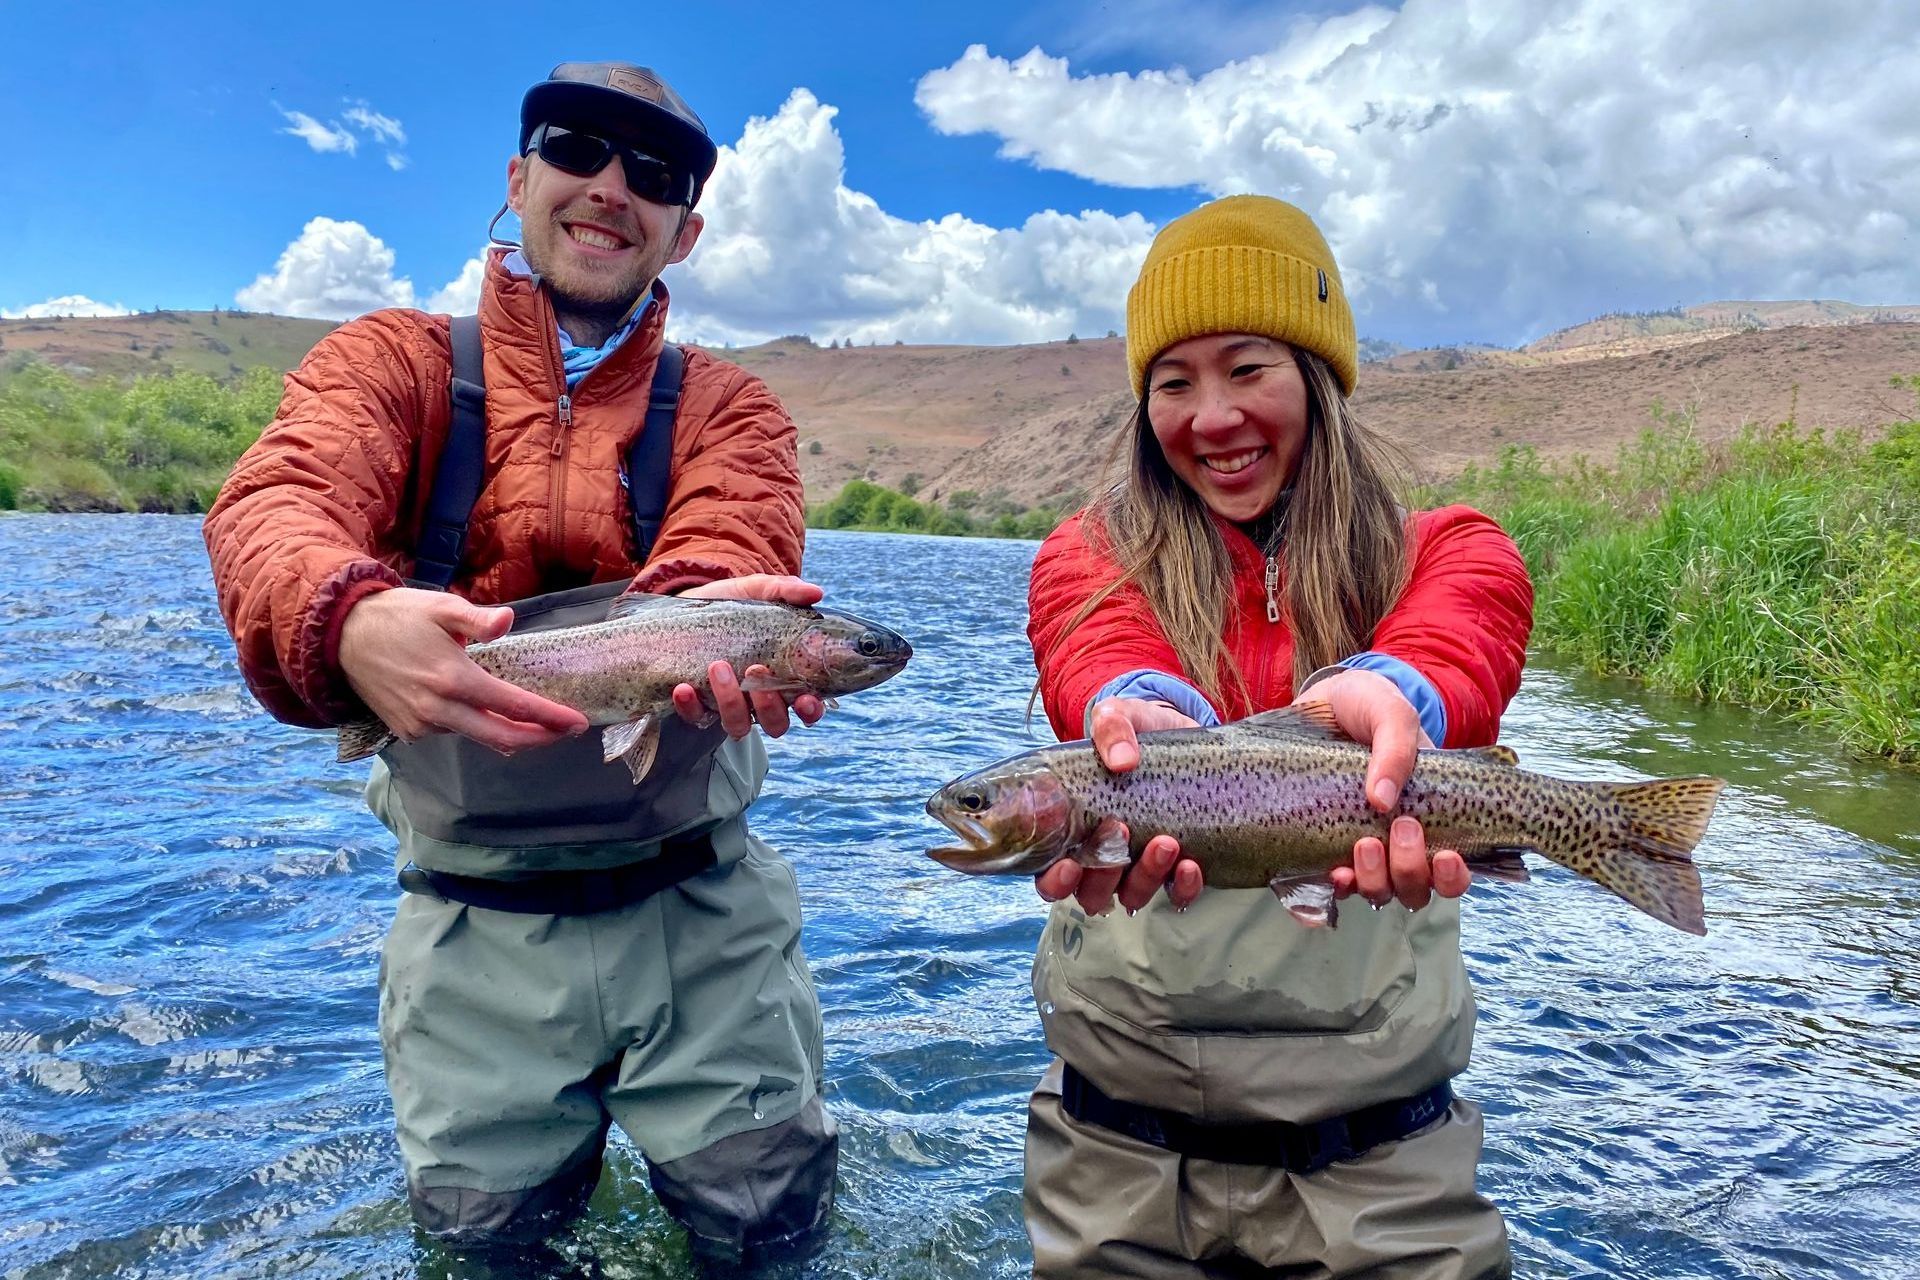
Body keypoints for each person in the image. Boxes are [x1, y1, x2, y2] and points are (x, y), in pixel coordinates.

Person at [203, 62, 837, 1261]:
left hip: (703, 923)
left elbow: (731, 541)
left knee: (776, 1244)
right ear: (519, 176)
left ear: (685, 230)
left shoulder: (731, 409)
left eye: (653, 175)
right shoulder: (386, 364)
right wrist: (345, 617)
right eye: (578, 148)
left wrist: (716, 624)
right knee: (489, 1255)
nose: (611, 187)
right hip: (469, 932)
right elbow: (273, 506)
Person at [1021, 195, 1534, 1278]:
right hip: (1115, 1154)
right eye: (1173, 382)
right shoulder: (1086, 553)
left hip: (1384, 1167)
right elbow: (1098, 654)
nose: (1211, 416)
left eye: (1247, 367)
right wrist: (1138, 712)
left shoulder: (1448, 546)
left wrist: (1390, 692)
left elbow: (1466, 628)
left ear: (1318, 373)